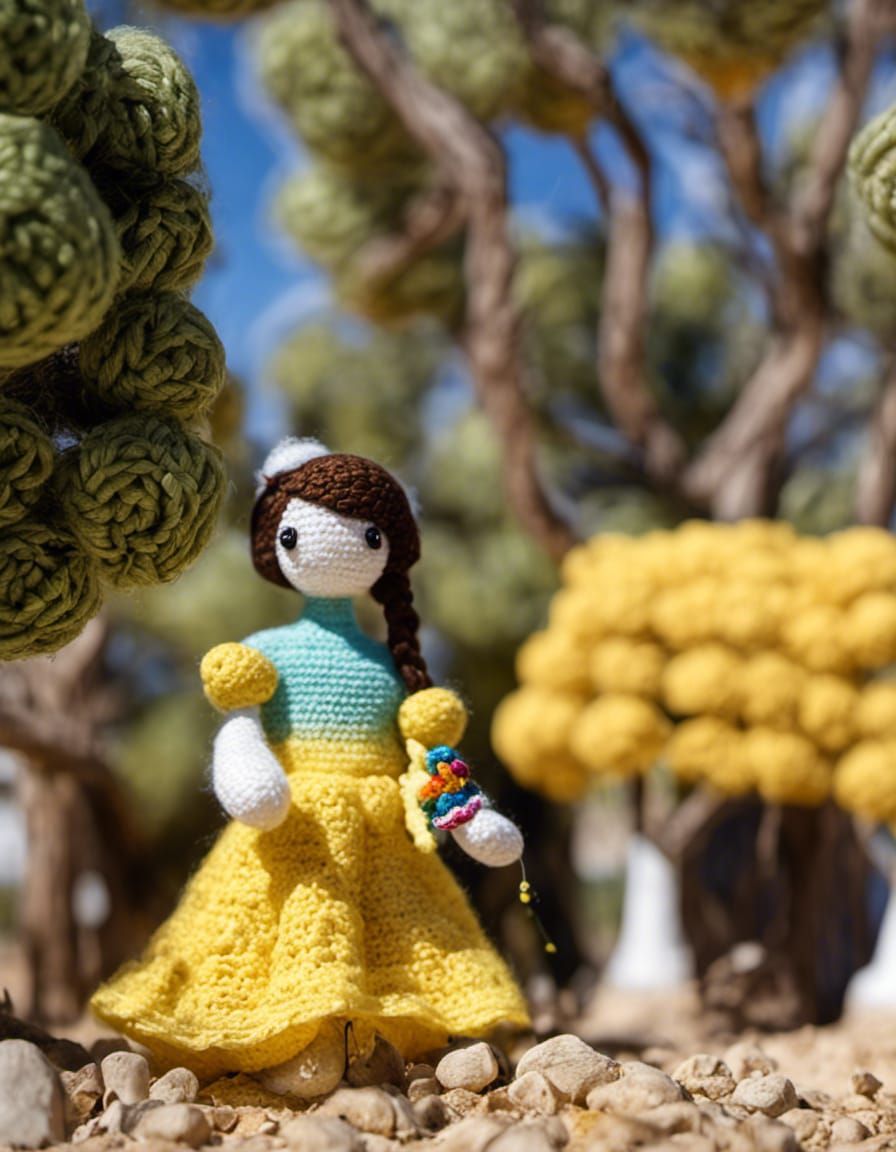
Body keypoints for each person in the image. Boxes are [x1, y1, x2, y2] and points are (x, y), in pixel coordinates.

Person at [91, 439, 529, 1092]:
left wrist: (466, 817)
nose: (333, 547)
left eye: (367, 532)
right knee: (275, 933)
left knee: (392, 941)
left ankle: (366, 1043)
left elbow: (425, 762)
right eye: (301, 529)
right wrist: (246, 764)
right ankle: (295, 1044)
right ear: (278, 543)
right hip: (289, 824)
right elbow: (242, 724)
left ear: (386, 550)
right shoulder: (264, 654)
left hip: (379, 835)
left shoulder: (394, 668)